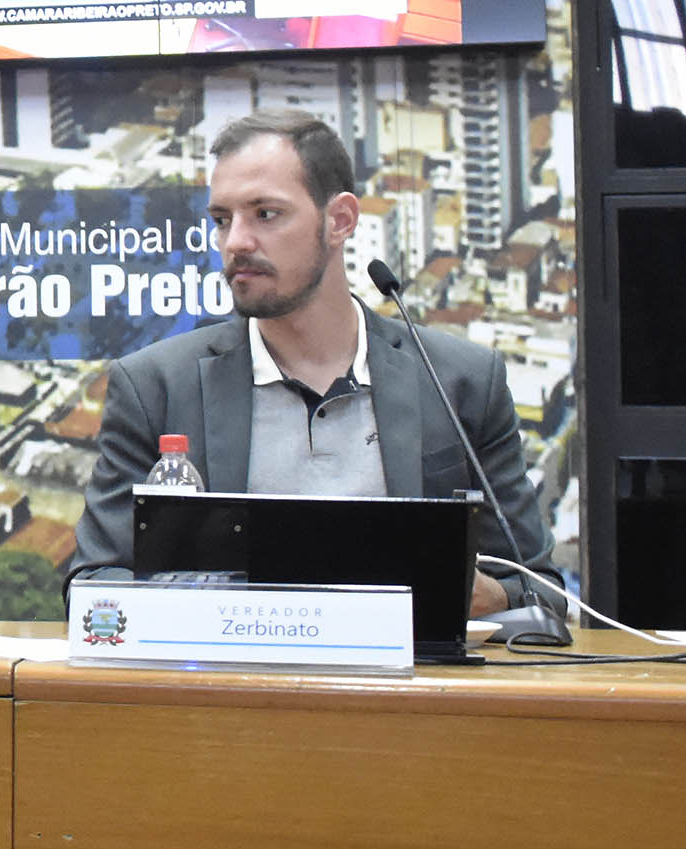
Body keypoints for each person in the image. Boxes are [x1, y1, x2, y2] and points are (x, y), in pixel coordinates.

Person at [71, 111, 552, 615]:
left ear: (339, 220)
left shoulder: (461, 381)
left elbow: (539, 588)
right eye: (221, 219)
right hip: (230, 686)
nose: (235, 242)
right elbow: (92, 584)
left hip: (409, 687)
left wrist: (480, 594)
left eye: (266, 214)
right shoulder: (155, 387)